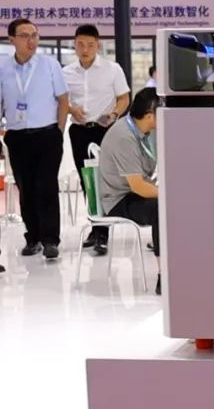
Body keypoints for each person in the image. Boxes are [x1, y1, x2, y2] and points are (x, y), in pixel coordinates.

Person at [3, 19, 70, 259]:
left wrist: (59, 131)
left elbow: (63, 100)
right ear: (12, 39)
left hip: (47, 135)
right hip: (17, 137)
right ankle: (33, 238)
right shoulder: (3, 67)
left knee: (46, 186)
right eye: (24, 36)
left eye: (34, 35)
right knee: (26, 188)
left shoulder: (50, 65)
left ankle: (50, 240)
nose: (31, 40)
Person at [63, 24, 131, 255]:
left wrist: (113, 114)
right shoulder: (66, 72)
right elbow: (62, 101)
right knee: (87, 182)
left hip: (105, 131)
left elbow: (124, 98)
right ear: (74, 45)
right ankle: (96, 227)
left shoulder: (112, 69)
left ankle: (102, 233)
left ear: (98, 46)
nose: (85, 49)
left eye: (90, 45)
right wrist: (71, 109)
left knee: (103, 181)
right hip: (79, 131)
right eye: (80, 44)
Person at [98, 88, 162, 293]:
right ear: (150, 115)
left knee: (172, 206)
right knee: (161, 210)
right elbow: (138, 186)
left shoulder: (147, 132)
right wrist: (172, 195)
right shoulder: (124, 137)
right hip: (119, 199)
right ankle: (164, 276)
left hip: (133, 192)